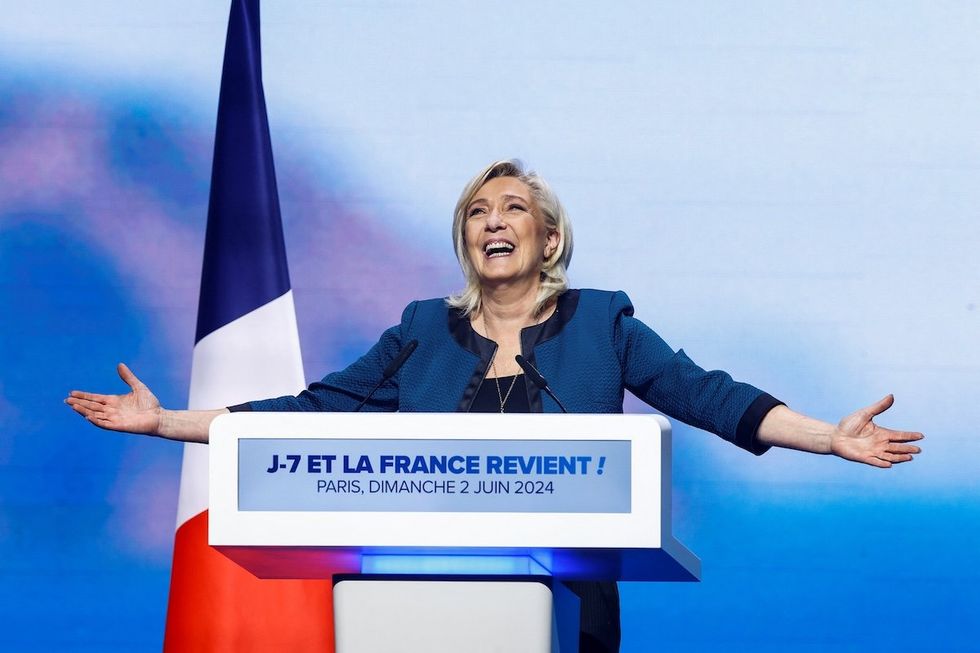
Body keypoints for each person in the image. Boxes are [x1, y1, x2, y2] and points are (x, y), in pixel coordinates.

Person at [66, 159, 923, 653]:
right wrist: (167, 421)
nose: (492, 220)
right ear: (466, 240)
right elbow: (311, 408)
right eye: (476, 210)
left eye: (513, 207)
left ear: (549, 239)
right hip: (418, 613)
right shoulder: (419, 332)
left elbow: (707, 396)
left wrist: (829, 437)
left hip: (566, 617)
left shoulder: (603, 322)